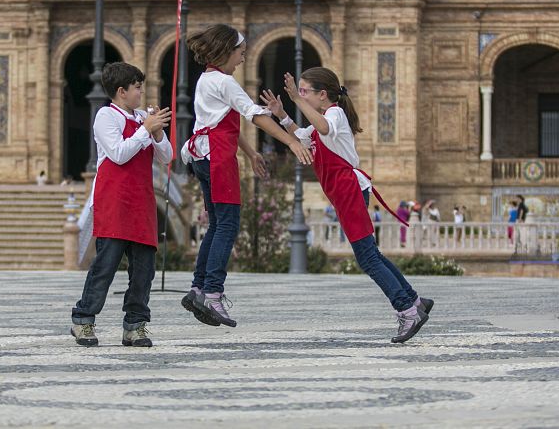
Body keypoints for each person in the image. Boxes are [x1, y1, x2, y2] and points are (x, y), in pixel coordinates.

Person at [264, 66, 433, 343]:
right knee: (373, 255)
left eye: (305, 90)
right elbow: (300, 135)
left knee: (367, 258)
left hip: (349, 190)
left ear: (322, 95)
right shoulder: (322, 119)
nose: (301, 94)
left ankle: (406, 310)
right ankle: (415, 301)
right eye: (300, 90)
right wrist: (281, 113)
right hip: (344, 192)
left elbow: (322, 127)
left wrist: (295, 99)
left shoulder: (335, 114)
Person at [179, 24, 313, 328]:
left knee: (216, 223)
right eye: (240, 52)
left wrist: (251, 153)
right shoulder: (225, 83)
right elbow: (254, 115)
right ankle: (213, 293)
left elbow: (220, 121)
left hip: (203, 156)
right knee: (228, 224)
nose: (242, 58)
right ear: (227, 51)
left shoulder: (206, 80)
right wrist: (291, 141)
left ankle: (198, 287)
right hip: (218, 159)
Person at [70, 62, 172, 348]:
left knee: (144, 269)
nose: (141, 92)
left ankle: (135, 325)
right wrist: (144, 132)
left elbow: (165, 157)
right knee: (105, 264)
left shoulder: (143, 118)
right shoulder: (105, 116)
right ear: (121, 91)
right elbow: (118, 154)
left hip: (141, 200)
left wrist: (157, 133)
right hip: (114, 199)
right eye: (137, 87)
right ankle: (84, 319)